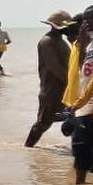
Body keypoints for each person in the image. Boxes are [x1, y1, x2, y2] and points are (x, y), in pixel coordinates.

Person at [25, 12, 73, 147]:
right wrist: (70, 82)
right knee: (43, 123)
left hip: (64, 88)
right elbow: (53, 67)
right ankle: (28, 148)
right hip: (51, 90)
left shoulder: (62, 41)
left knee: (74, 119)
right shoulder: (47, 41)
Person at [66, 5, 93, 184]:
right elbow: (82, 70)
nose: (86, 22)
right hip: (85, 104)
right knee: (80, 149)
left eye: (90, 17)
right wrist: (83, 47)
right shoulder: (89, 43)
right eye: (84, 19)